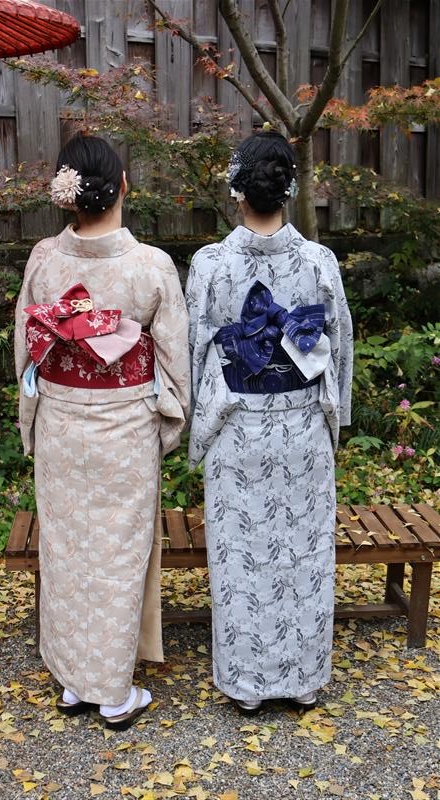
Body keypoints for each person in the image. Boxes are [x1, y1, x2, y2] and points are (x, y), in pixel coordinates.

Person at [14, 134, 190, 730]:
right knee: (118, 552)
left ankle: (74, 681)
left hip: (61, 424)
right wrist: (165, 422)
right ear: (122, 188)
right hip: (126, 428)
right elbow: (175, 362)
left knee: (67, 550)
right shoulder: (151, 266)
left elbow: (27, 354)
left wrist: (36, 414)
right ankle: (112, 692)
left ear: (68, 195)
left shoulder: (45, 259)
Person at [186, 131, 353, 715]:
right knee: (303, 553)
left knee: (241, 555)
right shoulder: (318, 262)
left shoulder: (211, 265)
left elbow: (193, 351)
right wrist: (337, 421)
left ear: (237, 191)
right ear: (289, 189)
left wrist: (195, 423)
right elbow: (339, 350)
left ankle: (246, 686)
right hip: (304, 428)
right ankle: (303, 679)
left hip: (236, 430)